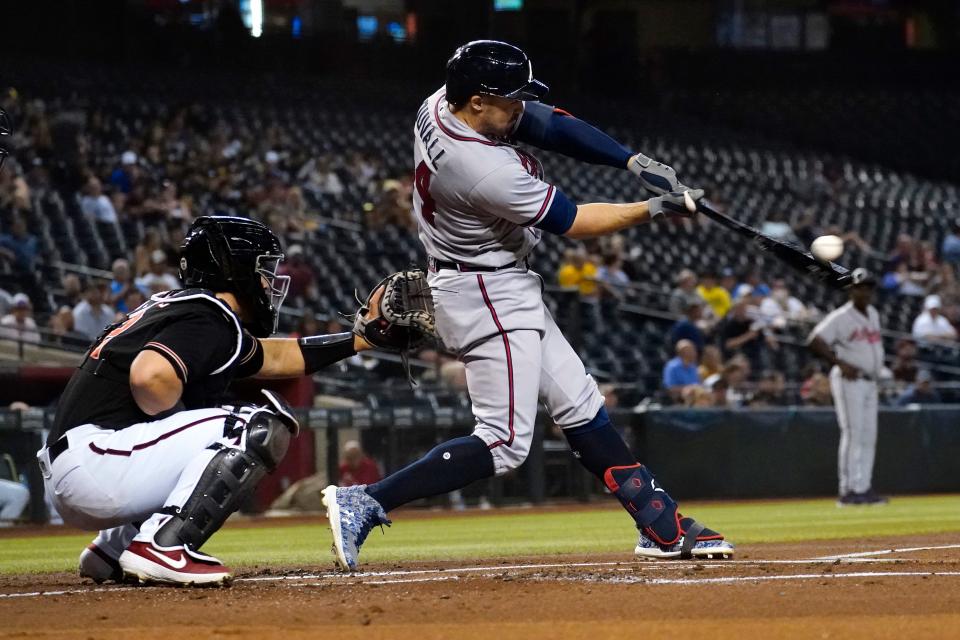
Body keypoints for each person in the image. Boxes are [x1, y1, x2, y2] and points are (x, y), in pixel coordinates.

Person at [322, 39, 733, 571]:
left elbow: (545, 122)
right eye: (508, 99)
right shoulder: (481, 168)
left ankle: (660, 525)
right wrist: (655, 207)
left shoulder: (440, 104)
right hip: (486, 291)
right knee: (502, 442)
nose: (519, 108)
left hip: (495, 281)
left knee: (580, 405)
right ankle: (367, 499)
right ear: (476, 102)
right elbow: (575, 222)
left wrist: (632, 160)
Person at [37, 216, 387, 586]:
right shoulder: (210, 315)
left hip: (83, 463)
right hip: (97, 461)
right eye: (263, 268)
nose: (270, 281)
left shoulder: (188, 308)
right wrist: (179, 414)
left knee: (208, 444)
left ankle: (110, 550)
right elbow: (149, 376)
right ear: (234, 269)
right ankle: (164, 546)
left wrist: (358, 341)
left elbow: (276, 358)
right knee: (255, 426)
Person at [808, 268, 887, 507]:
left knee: (868, 435)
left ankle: (863, 487)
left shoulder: (872, 313)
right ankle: (848, 490)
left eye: (869, 287)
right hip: (849, 380)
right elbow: (815, 341)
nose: (865, 291)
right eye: (861, 287)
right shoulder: (841, 317)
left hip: (870, 381)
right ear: (851, 289)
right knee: (853, 433)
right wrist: (840, 363)